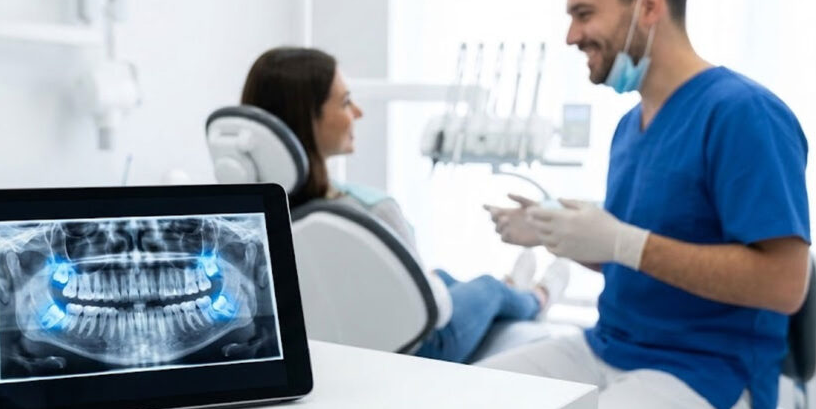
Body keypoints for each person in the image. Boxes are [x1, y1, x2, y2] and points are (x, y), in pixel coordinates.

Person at [481, 0, 810, 409]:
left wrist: (620, 241)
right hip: (607, 348)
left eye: (584, 14)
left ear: (649, 4)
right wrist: (562, 235)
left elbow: (783, 284)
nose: (571, 35)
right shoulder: (629, 127)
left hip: (706, 374)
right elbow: (637, 261)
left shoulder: (742, 114)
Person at [240, 46, 570, 364]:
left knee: (442, 276)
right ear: (306, 117)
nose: (358, 112)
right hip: (417, 351)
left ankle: (514, 286)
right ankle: (537, 296)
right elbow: (435, 312)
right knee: (486, 288)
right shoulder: (370, 210)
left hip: (340, 345)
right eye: (345, 102)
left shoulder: (252, 214)